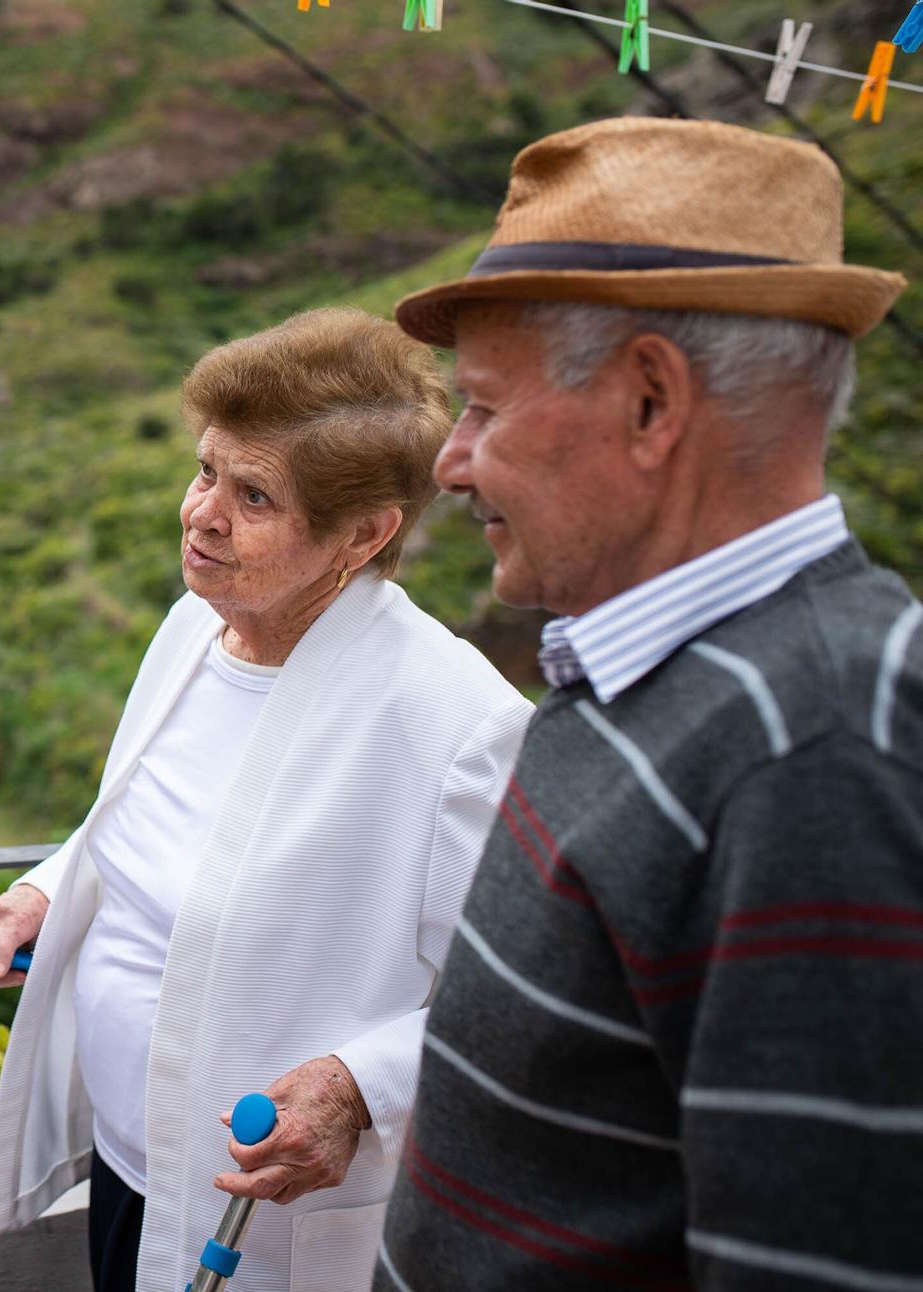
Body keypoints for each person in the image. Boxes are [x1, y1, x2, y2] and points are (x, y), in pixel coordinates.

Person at [375, 117, 922, 1290]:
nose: (449, 460)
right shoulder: (650, 674)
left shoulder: (814, 757)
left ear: (646, 402)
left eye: (480, 405)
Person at [0, 307, 532, 1292]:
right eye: (205, 468)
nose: (200, 512)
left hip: (257, 1216)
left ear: (362, 532)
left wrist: (357, 1086)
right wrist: (43, 891)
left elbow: (513, 996)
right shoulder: (192, 626)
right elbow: (149, 822)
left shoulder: (455, 724)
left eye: (251, 494)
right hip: (132, 1173)